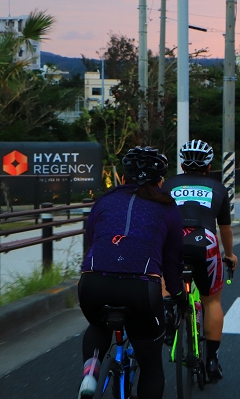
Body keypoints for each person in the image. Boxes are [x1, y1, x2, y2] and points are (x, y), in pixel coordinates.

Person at [77, 146, 183, 399]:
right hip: (140, 288)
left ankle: (91, 371)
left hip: (92, 283)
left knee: (98, 323)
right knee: (151, 366)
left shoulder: (104, 200)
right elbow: (172, 260)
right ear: (160, 181)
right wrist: (178, 295)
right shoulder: (168, 208)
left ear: (123, 178)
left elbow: (91, 242)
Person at [162, 139, 238, 382]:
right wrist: (229, 255)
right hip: (205, 241)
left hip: (172, 241)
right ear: (208, 166)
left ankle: (167, 312)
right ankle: (212, 361)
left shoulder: (167, 185)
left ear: (182, 164)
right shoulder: (218, 188)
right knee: (211, 302)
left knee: (165, 283)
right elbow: (225, 228)